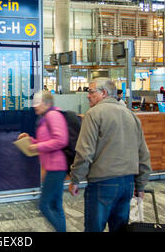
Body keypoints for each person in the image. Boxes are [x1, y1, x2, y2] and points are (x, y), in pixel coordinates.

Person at [68, 78, 152, 232]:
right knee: (120, 229)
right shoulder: (131, 115)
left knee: (94, 228)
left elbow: (85, 152)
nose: (88, 95)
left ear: (104, 93)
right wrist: (141, 184)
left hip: (102, 183)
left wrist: (75, 179)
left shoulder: (93, 114)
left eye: (91, 91)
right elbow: (143, 154)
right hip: (127, 184)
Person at [18, 91, 69, 232]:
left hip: (55, 167)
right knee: (55, 204)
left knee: (44, 205)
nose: (34, 107)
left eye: (37, 103)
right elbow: (45, 141)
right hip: (53, 166)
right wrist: (30, 140)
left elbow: (61, 140)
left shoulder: (53, 115)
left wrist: (37, 146)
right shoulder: (46, 117)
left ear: (47, 103)